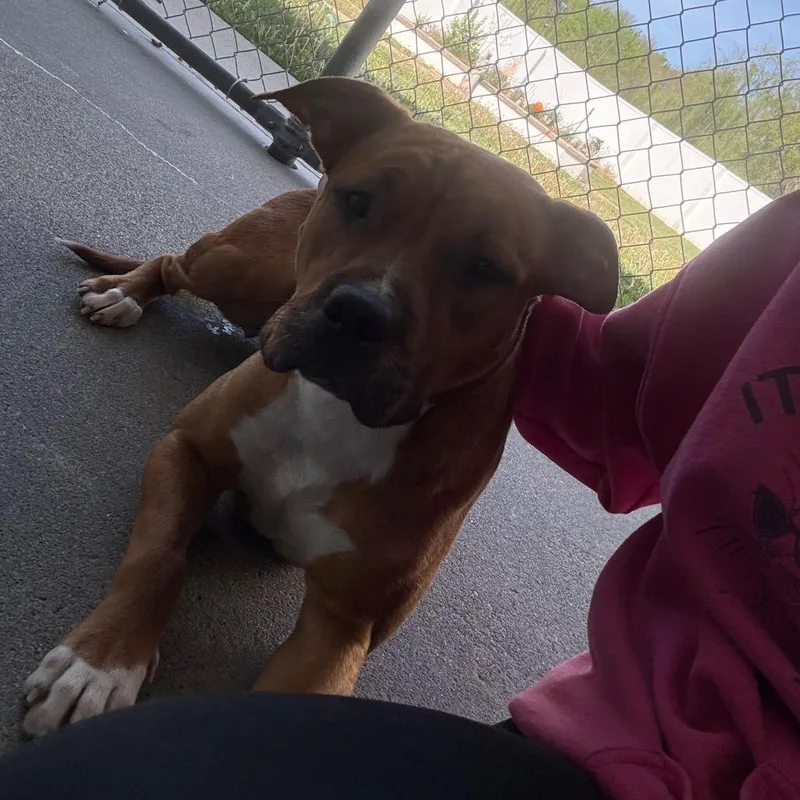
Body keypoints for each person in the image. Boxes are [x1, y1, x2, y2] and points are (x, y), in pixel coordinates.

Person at [2, 191, 799, 799]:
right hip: (649, 733)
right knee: (232, 272)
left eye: (480, 270)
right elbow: (619, 396)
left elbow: (343, 631)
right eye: (353, 205)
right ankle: (163, 273)